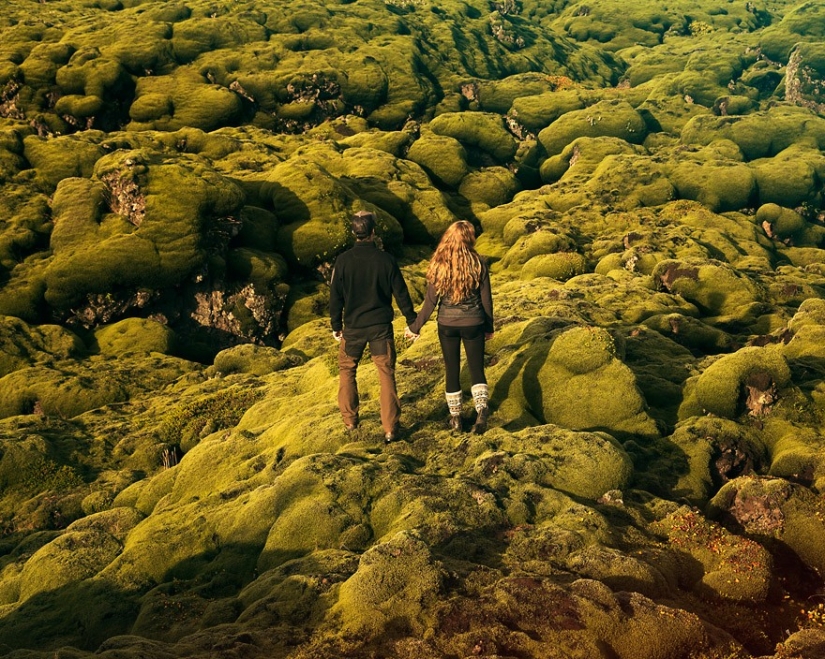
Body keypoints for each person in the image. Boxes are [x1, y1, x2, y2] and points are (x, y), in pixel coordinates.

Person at [330, 210, 418, 443]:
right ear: (373, 232)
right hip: (380, 328)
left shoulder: (343, 261)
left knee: (347, 371)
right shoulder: (386, 260)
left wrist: (336, 325)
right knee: (385, 374)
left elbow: (335, 297)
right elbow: (401, 293)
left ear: (353, 233)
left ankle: (349, 421)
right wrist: (412, 321)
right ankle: (390, 428)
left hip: (353, 329)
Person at [405, 220, 494, 434]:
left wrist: (415, 327)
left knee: (452, 369)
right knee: (476, 368)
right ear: (469, 238)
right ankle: (481, 412)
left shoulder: (439, 264)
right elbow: (486, 300)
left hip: (447, 324)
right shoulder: (479, 263)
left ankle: (456, 418)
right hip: (474, 323)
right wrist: (489, 327)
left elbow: (430, 302)